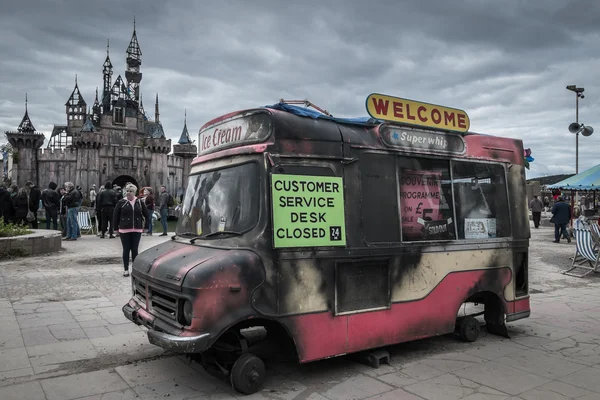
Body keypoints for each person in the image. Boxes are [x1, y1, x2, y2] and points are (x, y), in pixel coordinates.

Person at [113, 183, 147, 277]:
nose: (128, 193)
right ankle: (126, 269)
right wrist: (115, 228)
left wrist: (146, 226)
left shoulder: (139, 202)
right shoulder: (121, 202)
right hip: (124, 229)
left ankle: (135, 269)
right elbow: (115, 216)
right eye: (127, 191)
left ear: (134, 192)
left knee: (135, 249)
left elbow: (146, 214)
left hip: (137, 229)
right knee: (126, 249)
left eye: (131, 191)